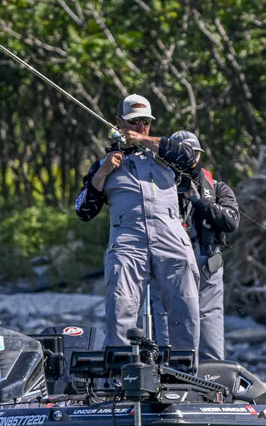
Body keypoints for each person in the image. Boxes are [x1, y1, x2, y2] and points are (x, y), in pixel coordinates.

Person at [74, 93, 201, 351]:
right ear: (119, 122)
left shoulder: (166, 154)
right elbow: (83, 210)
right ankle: (121, 369)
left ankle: (185, 368)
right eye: (134, 122)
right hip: (127, 242)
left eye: (146, 122)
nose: (140, 127)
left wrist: (144, 141)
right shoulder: (103, 164)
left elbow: (191, 158)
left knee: (185, 305)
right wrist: (103, 173)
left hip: (171, 237)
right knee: (120, 306)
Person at [153, 130, 239, 361]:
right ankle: (169, 376)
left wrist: (199, 201)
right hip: (169, 269)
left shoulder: (217, 188)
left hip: (207, 270)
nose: (185, 160)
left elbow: (231, 222)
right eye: (179, 155)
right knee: (167, 338)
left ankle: (210, 379)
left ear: (199, 156)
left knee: (210, 341)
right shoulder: (156, 189)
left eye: (191, 154)